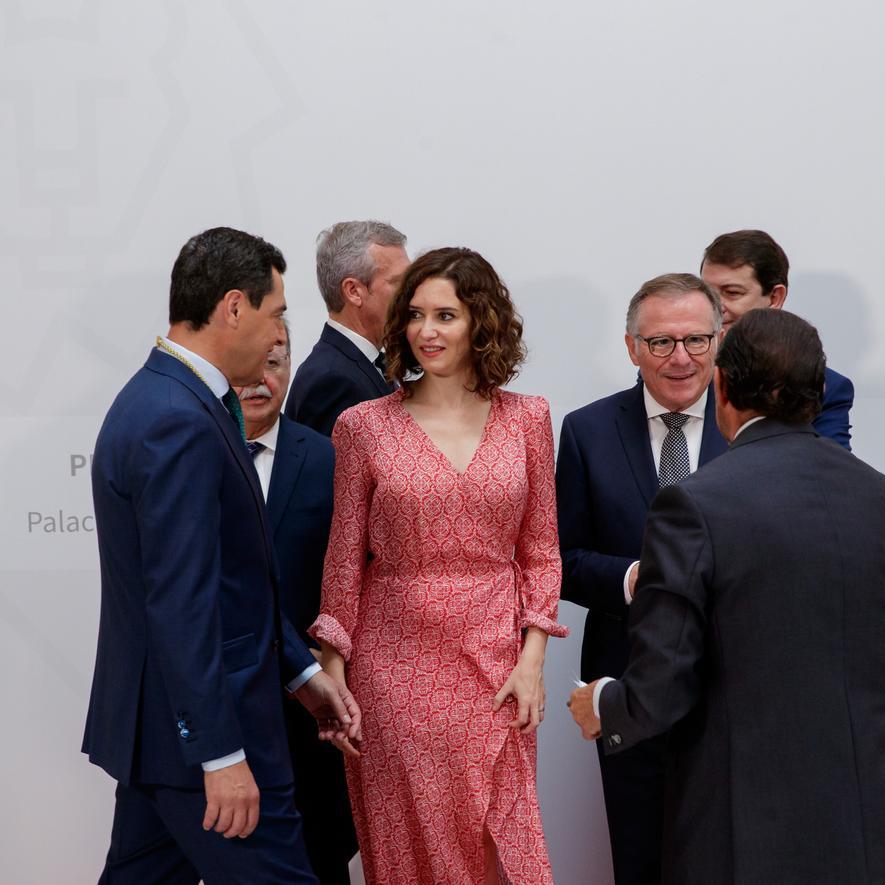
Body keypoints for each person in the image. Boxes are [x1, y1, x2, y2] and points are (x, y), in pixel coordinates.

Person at [568, 309, 885, 884]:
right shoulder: (873, 488)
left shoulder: (694, 501)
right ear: (818, 391)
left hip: (747, 811)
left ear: (721, 385)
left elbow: (665, 676)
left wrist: (604, 706)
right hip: (863, 800)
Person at [83, 227, 361, 884]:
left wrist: (300, 673)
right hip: (207, 739)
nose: (277, 336)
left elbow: (238, 583)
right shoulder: (176, 417)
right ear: (234, 306)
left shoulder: (172, 400)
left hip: (163, 739)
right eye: (276, 314)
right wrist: (219, 755)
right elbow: (183, 601)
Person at [312, 247, 568, 884]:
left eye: (446, 315)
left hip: (497, 663)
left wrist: (532, 662)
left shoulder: (528, 417)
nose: (428, 331)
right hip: (394, 666)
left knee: (499, 841)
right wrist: (334, 681)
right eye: (416, 315)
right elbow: (343, 560)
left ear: (480, 322)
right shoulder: (362, 426)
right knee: (415, 844)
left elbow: (541, 552)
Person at [555, 272, 726, 884]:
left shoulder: (752, 428)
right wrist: (633, 579)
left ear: (719, 340)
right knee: (641, 858)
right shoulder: (588, 430)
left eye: (696, 340)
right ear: (632, 347)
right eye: (661, 343)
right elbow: (561, 558)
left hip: (734, 689)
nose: (681, 358)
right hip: (627, 682)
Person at [233, 324, 357, 884]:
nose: (261, 380)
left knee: (318, 861)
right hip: (221, 702)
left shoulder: (330, 459)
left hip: (308, 711)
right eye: (248, 368)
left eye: (275, 364)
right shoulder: (192, 452)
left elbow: (352, 576)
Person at [700, 228, 855, 449]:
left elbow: (829, 473)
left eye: (732, 293)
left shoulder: (826, 387)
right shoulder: (676, 370)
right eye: (707, 293)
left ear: (775, 297)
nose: (715, 307)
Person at [286, 220, 410, 436]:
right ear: (354, 291)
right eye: (399, 282)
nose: (412, 294)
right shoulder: (332, 381)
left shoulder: (362, 364)